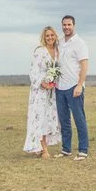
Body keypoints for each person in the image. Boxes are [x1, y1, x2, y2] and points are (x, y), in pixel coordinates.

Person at [23, 25, 62, 158]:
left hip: (53, 91)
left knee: (48, 118)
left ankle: (41, 147)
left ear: (55, 36)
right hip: (40, 91)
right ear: (44, 38)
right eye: (47, 36)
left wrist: (53, 82)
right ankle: (43, 148)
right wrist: (43, 83)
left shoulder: (58, 51)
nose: (50, 37)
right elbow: (34, 71)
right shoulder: (40, 51)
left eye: (52, 35)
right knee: (39, 118)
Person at [55, 14, 90, 160]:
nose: (66, 27)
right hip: (60, 87)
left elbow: (84, 65)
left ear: (73, 26)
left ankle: (83, 150)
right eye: (64, 25)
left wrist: (80, 85)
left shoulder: (80, 43)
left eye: (69, 24)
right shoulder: (59, 42)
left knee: (79, 119)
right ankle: (66, 149)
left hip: (74, 86)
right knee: (64, 120)